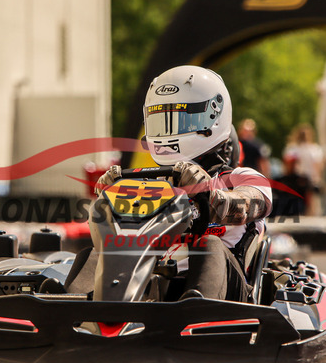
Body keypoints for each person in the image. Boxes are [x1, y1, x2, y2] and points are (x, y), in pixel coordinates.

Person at [96, 65, 272, 301]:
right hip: (155, 283)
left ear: (214, 117)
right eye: (162, 120)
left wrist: (209, 193)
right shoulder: (149, 184)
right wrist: (110, 199)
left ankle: (196, 310)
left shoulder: (244, 178)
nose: (170, 131)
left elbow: (244, 206)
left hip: (225, 294)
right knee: (99, 252)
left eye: (183, 120)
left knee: (208, 245)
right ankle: (78, 309)